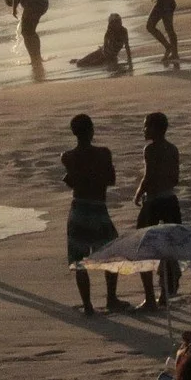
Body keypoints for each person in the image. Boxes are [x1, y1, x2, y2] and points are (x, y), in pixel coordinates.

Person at [61, 113, 124, 314]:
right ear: (91, 130)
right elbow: (110, 179)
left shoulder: (67, 156)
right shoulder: (104, 153)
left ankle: (88, 306)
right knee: (110, 253)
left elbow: (73, 181)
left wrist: (73, 178)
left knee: (79, 259)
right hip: (98, 207)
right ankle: (111, 298)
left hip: (79, 208)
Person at [133, 111, 183, 309]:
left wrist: (138, 193)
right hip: (170, 200)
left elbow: (149, 175)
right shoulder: (173, 149)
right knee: (169, 247)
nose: (144, 129)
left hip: (154, 202)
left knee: (142, 246)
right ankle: (165, 294)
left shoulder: (150, 149)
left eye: (146, 126)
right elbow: (175, 178)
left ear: (156, 128)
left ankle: (149, 297)